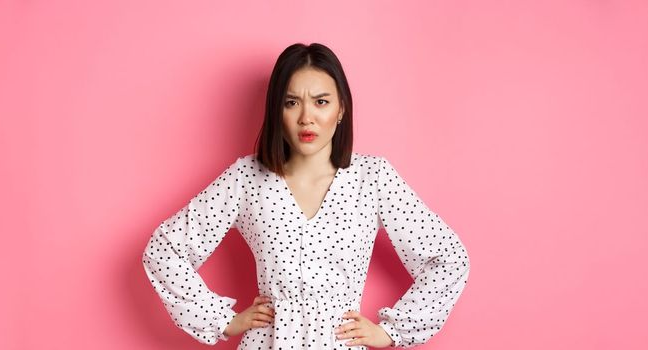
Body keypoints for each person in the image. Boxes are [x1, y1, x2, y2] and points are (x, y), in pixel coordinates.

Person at [141, 42, 470, 349]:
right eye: (291, 102)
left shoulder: (373, 178)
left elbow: (449, 258)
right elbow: (164, 250)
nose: (306, 117)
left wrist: (392, 331)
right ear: (277, 110)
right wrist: (221, 320)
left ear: (341, 108)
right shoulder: (246, 178)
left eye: (321, 101)